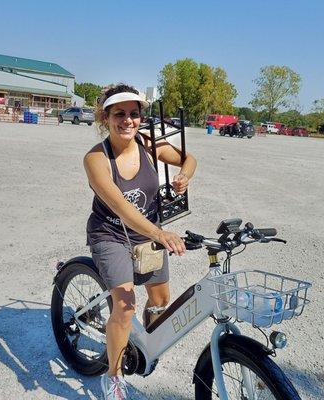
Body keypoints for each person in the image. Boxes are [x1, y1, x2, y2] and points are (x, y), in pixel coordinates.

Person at [83, 84, 196, 400]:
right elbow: (120, 206)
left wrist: (185, 176)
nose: (128, 121)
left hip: (146, 234)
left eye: (134, 114)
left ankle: (141, 342)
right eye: (120, 114)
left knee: (161, 302)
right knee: (125, 305)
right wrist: (160, 234)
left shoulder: (148, 144)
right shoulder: (96, 158)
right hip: (111, 234)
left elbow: (190, 159)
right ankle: (113, 377)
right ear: (106, 117)